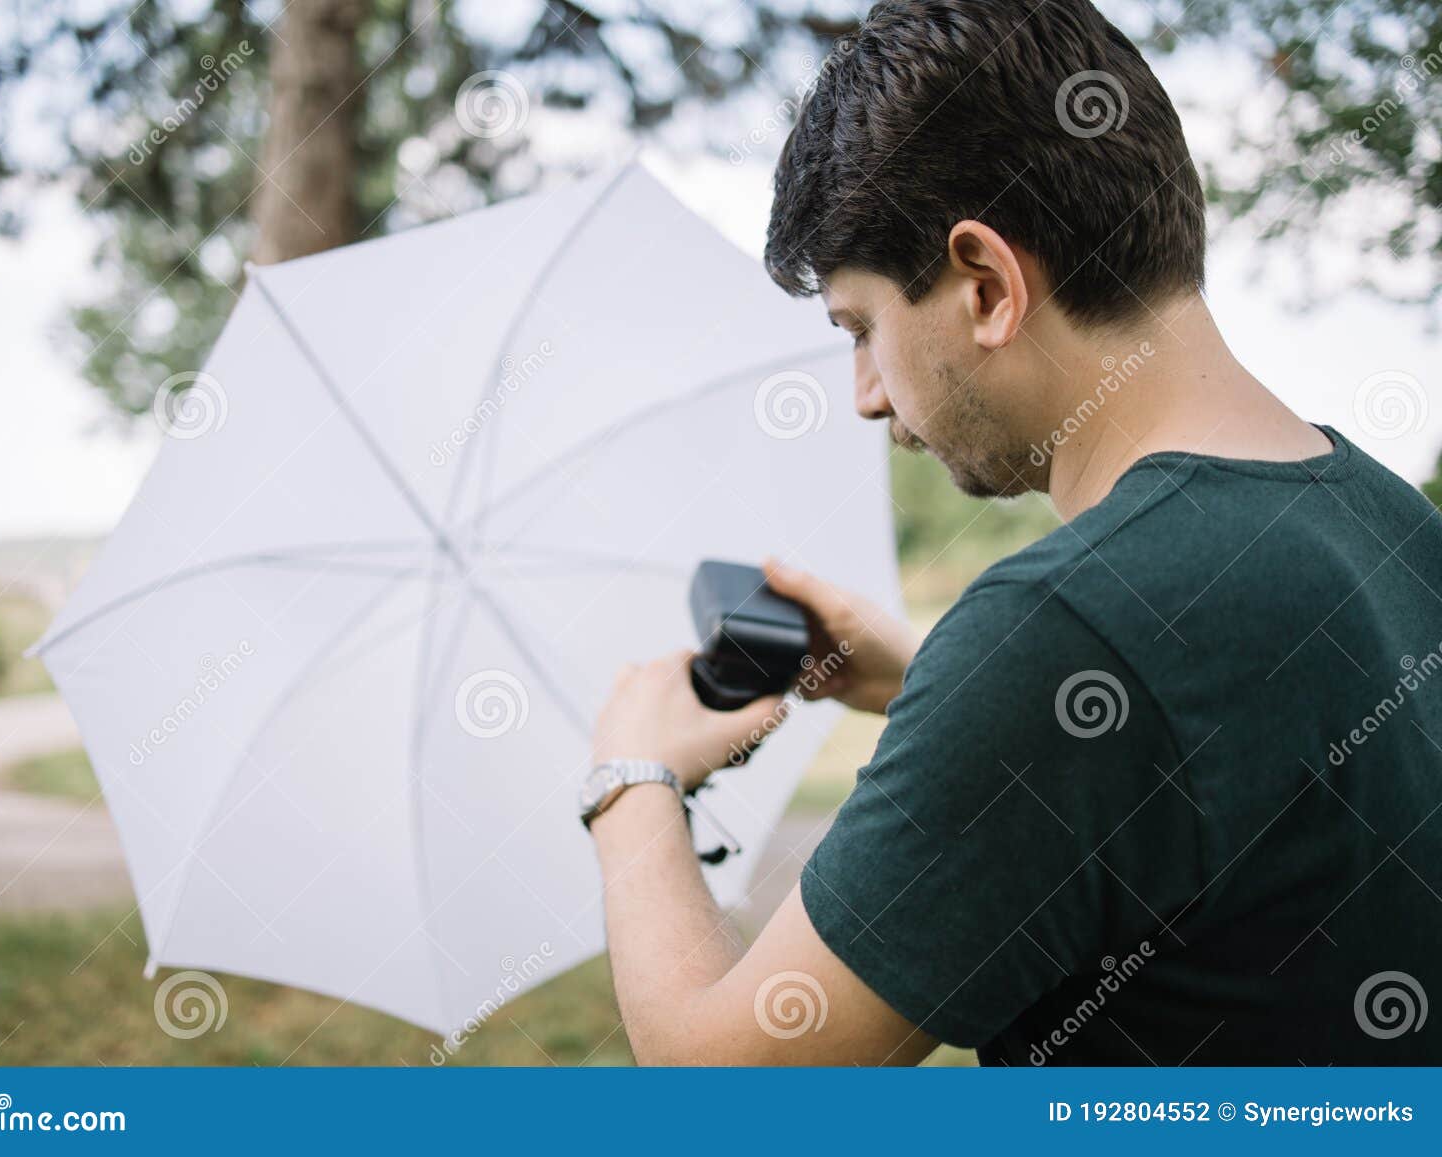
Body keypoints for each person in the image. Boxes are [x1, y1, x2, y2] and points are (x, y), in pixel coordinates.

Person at [578, 0, 1442, 1065]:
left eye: (858, 329)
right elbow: (1228, 772)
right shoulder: (1383, 517)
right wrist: (928, 678)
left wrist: (631, 782)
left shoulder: (1065, 627)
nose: (861, 394)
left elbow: (725, 1091)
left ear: (984, 286)